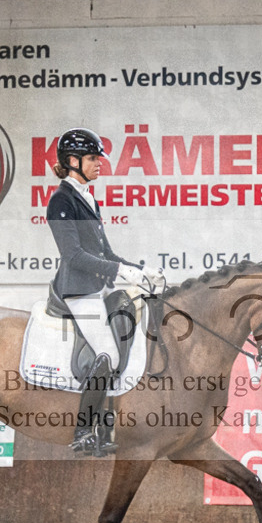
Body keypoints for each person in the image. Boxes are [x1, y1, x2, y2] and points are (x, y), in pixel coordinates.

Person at [46, 128, 163, 455]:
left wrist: (140, 271)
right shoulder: (61, 200)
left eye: (98, 158)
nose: (99, 164)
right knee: (108, 354)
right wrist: (119, 272)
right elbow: (73, 256)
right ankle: (83, 431)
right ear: (73, 161)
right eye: (92, 158)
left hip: (97, 289)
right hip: (77, 292)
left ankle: (107, 423)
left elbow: (105, 253)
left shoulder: (88, 198)